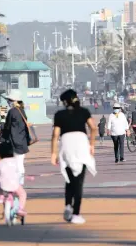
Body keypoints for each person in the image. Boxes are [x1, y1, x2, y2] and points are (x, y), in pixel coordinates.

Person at [51, 89, 97, 224]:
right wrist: (91, 145)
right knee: (79, 182)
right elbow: (93, 128)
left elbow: (55, 135)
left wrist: (53, 153)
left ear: (64, 102)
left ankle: (67, 205)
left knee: (69, 179)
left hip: (67, 145)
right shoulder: (84, 111)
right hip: (81, 144)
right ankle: (76, 214)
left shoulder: (59, 114)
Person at [1, 90, 30, 186]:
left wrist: (2, 124)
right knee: (20, 163)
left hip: (14, 142)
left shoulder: (12, 112)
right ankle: (20, 183)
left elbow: (7, 127)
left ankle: (17, 184)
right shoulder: (21, 111)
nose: (8, 102)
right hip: (22, 142)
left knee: (15, 165)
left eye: (9, 100)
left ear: (15, 101)